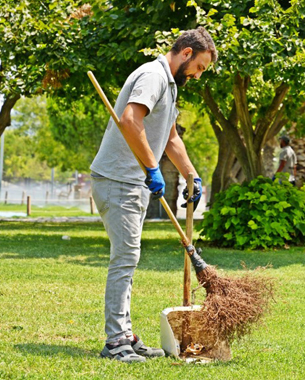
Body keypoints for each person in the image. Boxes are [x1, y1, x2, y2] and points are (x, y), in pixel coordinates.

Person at [90, 27, 216, 363]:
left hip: (131, 181)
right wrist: (152, 168)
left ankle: (127, 336)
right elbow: (130, 120)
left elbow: (171, 137)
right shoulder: (153, 75)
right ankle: (115, 342)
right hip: (118, 180)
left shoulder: (170, 85)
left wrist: (191, 174)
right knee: (125, 259)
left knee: (129, 258)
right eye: (200, 67)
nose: (199, 75)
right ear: (186, 53)